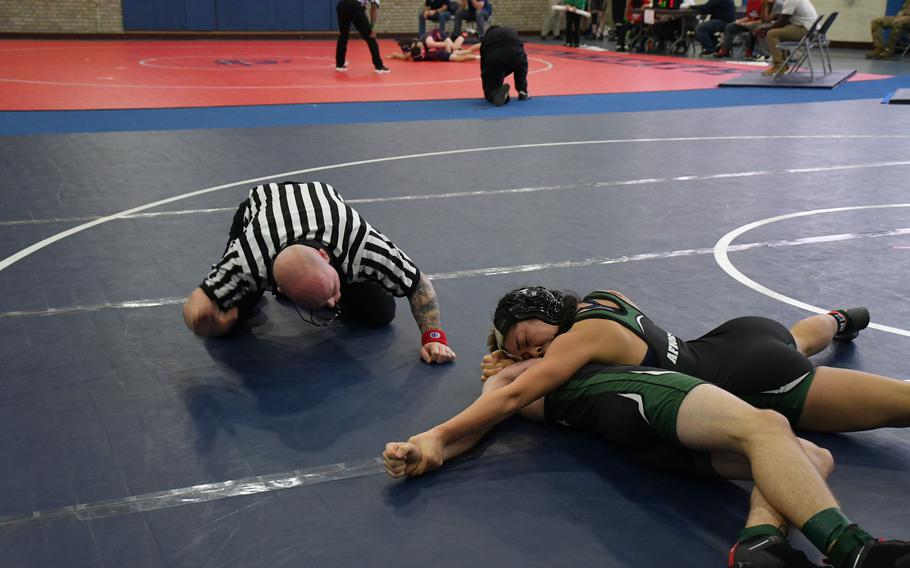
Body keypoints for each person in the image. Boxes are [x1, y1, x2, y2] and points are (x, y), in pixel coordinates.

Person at [383, 288, 910, 567]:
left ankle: (832, 547)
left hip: (749, 385)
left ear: (545, 313)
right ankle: (842, 318)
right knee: (799, 343)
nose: (537, 353)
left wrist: (440, 433)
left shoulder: (577, 341)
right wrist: (510, 361)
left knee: (774, 419)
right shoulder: (607, 301)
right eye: (526, 352)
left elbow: (518, 393)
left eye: (529, 339)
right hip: (737, 345)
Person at [182, 181, 456, 365]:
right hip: (260, 208)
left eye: (333, 290)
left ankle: (321, 286)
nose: (332, 303)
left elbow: (418, 285)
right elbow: (199, 300)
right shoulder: (248, 258)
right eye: (320, 301)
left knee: (379, 315)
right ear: (277, 286)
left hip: (325, 207)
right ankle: (281, 293)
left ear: (326, 258)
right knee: (232, 324)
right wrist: (200, 320)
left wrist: (433, 338)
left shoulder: (361, 245)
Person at [751, 0, 818, 76]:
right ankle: (784, 65)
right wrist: (766, 28)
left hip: (806, 30)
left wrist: (765, 29)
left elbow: (781, 22)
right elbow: (784, 23)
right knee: (779, 32)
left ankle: (778, 66)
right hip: (811, 30)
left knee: (771, 34)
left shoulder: (790, 1)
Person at [479, 25, 530, 106]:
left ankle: (498, 94)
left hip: (496, 59)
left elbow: (484, 65)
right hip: (516, 55)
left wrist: (488, 86)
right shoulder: (510, 30)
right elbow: (523, 57)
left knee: (491, 88)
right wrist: (522, 87)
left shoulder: (486, 38)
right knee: (520, 63)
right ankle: (522, 92)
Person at [335, 0, 390, 73]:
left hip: (342, 5)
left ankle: (339, 65)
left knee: (343, 36)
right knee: (370, 37)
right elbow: (373, 8)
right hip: (354, 7)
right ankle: (379, 66)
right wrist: (372, 27)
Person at [390, 30, 481, 62]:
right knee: (458, 48)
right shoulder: (415, 52)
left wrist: (448, 54)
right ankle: (465, 34)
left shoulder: (428, 43)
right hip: (440, 45)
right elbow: (405, 56)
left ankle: (465, 33)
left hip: (438, 35)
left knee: (455, 48)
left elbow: (446, 44)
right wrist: (394, 55)